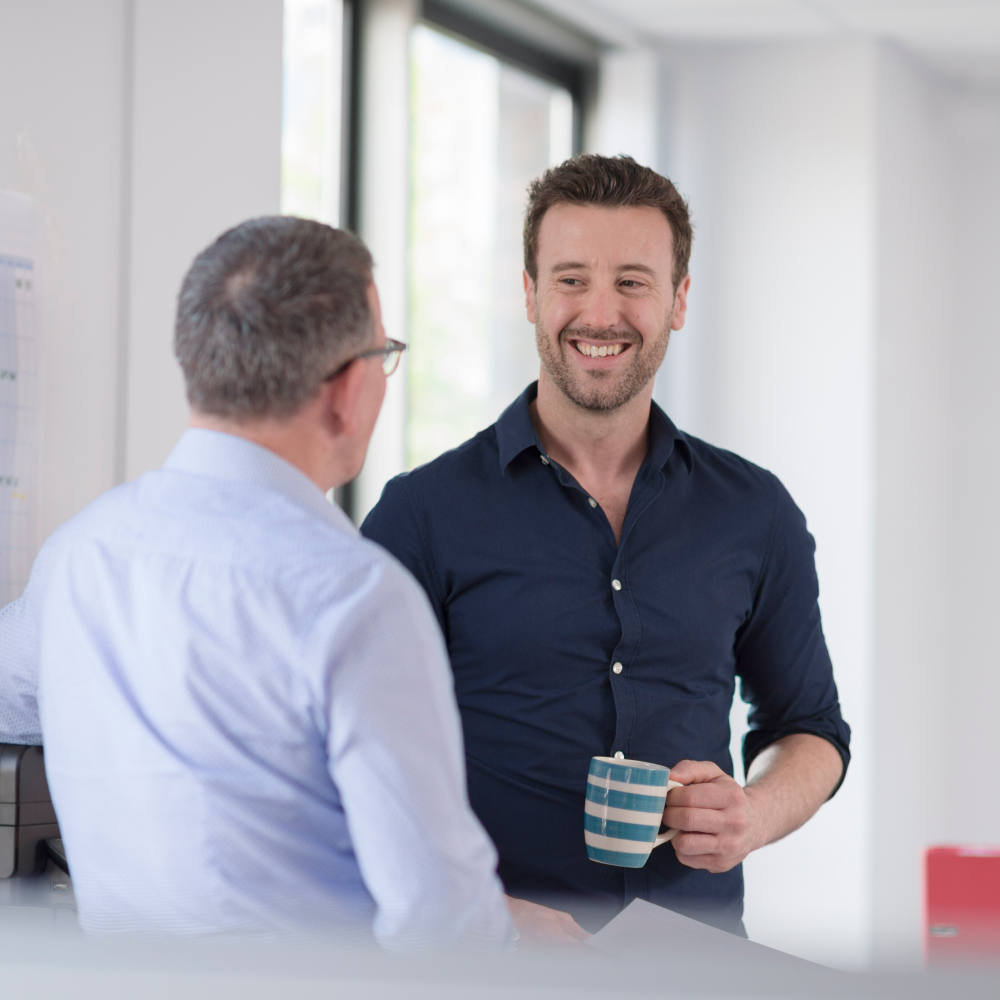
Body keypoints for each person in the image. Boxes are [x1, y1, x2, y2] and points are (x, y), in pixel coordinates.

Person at [361, 155, 851, 942]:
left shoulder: (756, 513)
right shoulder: (422, 515)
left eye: (632, 281)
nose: (600, 313)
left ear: (679, 300)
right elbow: (354, 765)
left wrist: (753, 813)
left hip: (693, 967)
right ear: (528, 293)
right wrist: (485, 918)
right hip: (492, 967)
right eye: (570, 279)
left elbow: (813, 729)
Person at [0, 218, 514, 949]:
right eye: (382, 356)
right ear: (345, 390)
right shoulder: (358, 598)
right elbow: (447, 927)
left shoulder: (79, 557)